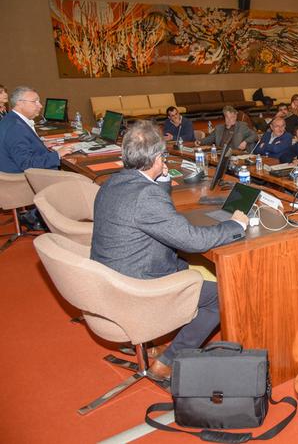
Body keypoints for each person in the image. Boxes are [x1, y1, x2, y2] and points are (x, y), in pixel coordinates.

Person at [90, 121, 248, 381]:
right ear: (157, 158)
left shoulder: (113, 182)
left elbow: (151, 207)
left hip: (111, 277)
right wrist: (235, 224)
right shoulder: (146, 197)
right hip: (137, 285)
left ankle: (162, 344)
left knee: (188, 266)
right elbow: (193, 240)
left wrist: (161, 179)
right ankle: (168, 361)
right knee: (223, 296)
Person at [0, 86, 73, 173]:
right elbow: (27, 164)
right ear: (20, 103)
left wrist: (39, 145)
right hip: (24, 179)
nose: (40, 106)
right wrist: (57, 155)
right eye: (35, 102)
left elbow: (19, 147)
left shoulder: (10, 118)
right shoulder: (16, 127)